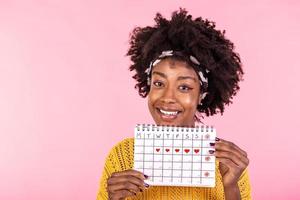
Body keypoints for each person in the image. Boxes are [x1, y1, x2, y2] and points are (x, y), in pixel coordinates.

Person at [97, 8, 251, 200]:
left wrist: (231, 188)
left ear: (201, 94)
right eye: (159, 83)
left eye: (184, 87)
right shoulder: (122, 155)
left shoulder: (228, 165)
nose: (168, 97)